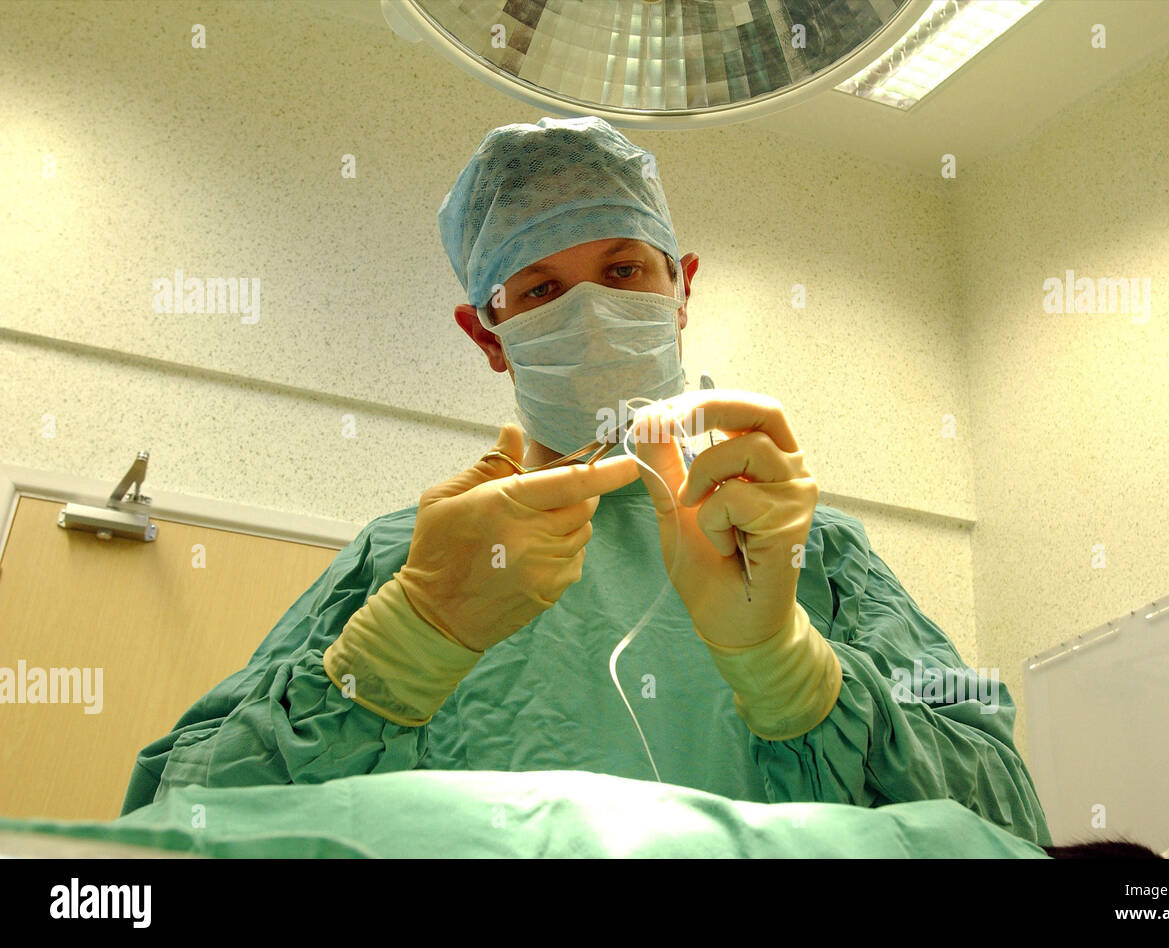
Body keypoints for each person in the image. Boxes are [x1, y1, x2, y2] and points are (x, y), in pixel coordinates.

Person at [121, 116, 1051, 847]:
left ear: (681, 290)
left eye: (621, 270)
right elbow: (169, 829)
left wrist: (796, 674)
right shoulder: (412, 561)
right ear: (486, 335)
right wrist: (400, 652)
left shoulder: (816, 554)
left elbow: (1007, 826)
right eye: (539, 291)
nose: (594, 313)